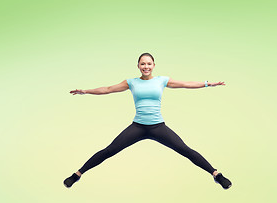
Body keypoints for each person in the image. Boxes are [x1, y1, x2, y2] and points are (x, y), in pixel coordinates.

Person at [64, 53, 232, 189]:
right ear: (138, 66)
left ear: (153, 65)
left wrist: (207, 84)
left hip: (158, 127)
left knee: (185, 150)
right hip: (138, 127)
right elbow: (107, 89)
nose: (146, 67)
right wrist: (85, 91)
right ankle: (77, 175)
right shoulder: (131, 82)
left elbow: (186, 84)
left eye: (149, 63)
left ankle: (217, 175)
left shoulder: (162, 80)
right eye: (142, 64)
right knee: (109, 150)